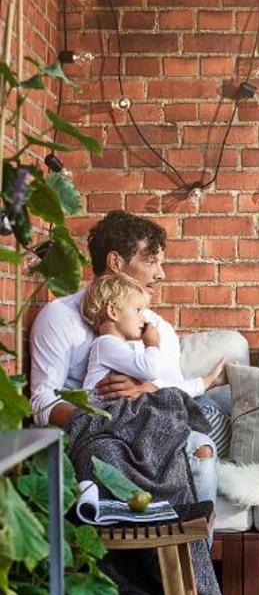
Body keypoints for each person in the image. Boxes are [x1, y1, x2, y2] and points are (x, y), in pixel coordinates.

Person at [30, 210, 221, 503]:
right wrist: (101, 421)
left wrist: (148, 391)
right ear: (116, 263)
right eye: (151, 260)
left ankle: (190, 546)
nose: (161, 273)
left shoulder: (157, 328)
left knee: (201, 450)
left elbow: (175, 399)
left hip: (153, 428)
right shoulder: (60, 317)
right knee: (106, 454)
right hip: (92, 430)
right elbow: (42, 402)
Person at [80, 273, 225, 405]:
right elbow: (150, 371)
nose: (144, 319)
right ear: (113, 312)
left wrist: (206, 381)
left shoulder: (124, 353)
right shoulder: (105, 344)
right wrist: (152, 344)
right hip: (102, 420)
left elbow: (158, 386)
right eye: (138, 310)